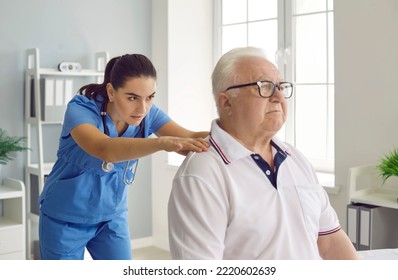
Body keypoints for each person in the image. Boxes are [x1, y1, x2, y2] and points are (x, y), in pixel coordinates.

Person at [168, 47, 358, 260]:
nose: (278, 96)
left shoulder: (295, 159)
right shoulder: (202, 174)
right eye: (264, 87)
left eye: (280, 86)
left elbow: (330, 241)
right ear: (226, 102)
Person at [38, 53, 209, 260]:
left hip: (111, 217)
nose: (143, 108)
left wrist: (235, 133)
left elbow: (188, 139)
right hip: (64, 217)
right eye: (132, 98)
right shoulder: (81, 109)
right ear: (111, 91)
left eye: (150, 97)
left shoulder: (149, 113)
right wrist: (161, 143)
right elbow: (104, 149)